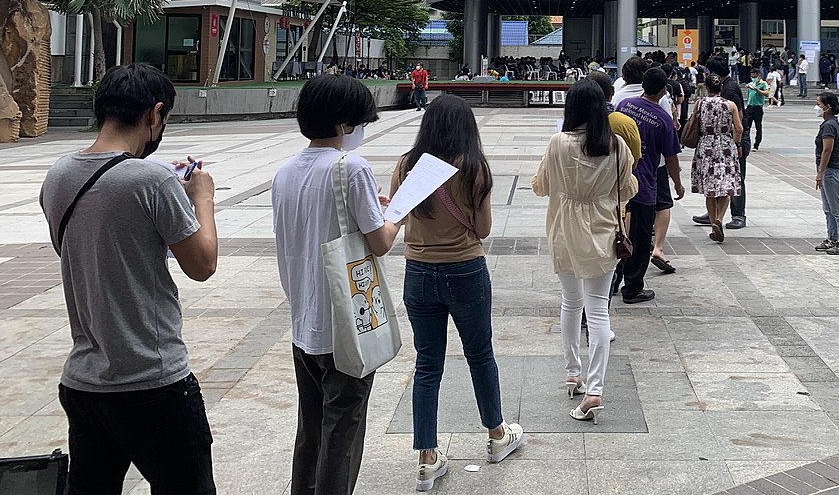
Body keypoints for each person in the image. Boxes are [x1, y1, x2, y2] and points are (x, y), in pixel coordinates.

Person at [40, 64, 219, 495]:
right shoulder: (153, 180)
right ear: (154, 115)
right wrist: (202, 198)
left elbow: (86, 248)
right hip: (152, 381)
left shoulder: (58, 174)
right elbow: (203, 265)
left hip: (84, 383)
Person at [272, 75, 402, 495]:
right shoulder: (352, 167)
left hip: (304, 321)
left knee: (311, 429)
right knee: (343, 431)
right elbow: (380, 242)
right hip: (345, 324)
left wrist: (372, 209)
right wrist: (398, 215)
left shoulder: (285, 171)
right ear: (344, 122)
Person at [389, 95, 524, 489]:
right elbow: (482, 230)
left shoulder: (406, 165)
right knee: (480, 354)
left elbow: (396, 214)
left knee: (427, 364)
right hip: (465, 270)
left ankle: (427, 458)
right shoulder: (474, 169)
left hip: (418, 272)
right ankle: (497, 435)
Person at [533, 80, 637, 424]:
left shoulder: (557, 144)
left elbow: (541, 186)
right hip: (604, 232)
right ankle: (594, 390)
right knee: (598, 311)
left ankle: (572, 372)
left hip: (564, 229)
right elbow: (628, 188)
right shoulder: (616, 145)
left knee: (570, 302)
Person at [617, 68, 684, 303]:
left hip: (618, 179)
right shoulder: (664, 119)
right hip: (644, 182)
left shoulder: (624, 105)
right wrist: (677, 183)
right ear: (664, 90)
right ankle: (633, 287)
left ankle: (613, 281)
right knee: (641, 236)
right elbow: (671, 158)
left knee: (617, 231)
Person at [689, 73, 743, 243]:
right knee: (726, 184)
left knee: (710, 188)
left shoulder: (700, 103)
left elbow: (693, 123)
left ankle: (713, 223)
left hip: (706, 146)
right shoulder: (731, 105)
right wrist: (736, 144)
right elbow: (739, 128)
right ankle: (719, 218)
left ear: (706, 88)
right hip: (726, 145)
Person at [815, 93, 839, 255]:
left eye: (819, 104)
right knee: (828, 208)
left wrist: (820, 172)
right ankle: (832, 238)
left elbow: (827, 149)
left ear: (827, 107)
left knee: (837, 209)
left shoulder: (830, 125)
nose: (817, 107)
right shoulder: (828, 123)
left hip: (831, 171)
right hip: (828, 172)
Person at [743, 67, 770, 150]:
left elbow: (767, 93)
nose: (753, 78)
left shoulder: (763, 83)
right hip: (750, 107)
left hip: (758, 107)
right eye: (752, 77)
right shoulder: (751, 84)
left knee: (758, 126)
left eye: (754, 77)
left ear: (758, 75)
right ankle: (746, 143)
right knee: (746, 126)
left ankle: (756, 144)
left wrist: (757, 90)